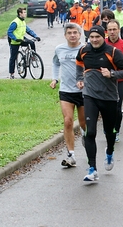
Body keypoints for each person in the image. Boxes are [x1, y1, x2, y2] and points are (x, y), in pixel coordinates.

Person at [76, 26, 123, 181]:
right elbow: (79, 63)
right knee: (91, 132)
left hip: (108, 97)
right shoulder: (84, 51)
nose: (94, 40)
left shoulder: (113, 52)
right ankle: (92, 168)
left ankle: (110, 151)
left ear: (103, 36)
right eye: (92, 37)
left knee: (109, 131)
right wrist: (80, 79)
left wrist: (112, 74)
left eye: (97, 37)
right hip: (90, 96)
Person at [51, 23, 86, 167]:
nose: (72, 35)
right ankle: (71, 155)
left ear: (80, 34)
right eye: (69, 33)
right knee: (68, 121)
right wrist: (54, 78)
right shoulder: (59, 49)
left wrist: (84, 80)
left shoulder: (86, 49)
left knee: (84, 124)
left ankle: (86, 137)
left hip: (84, 91)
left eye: (75, 33)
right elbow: (55, 64)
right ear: (65, 35)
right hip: (66, 91)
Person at [105, 20, 123, 142]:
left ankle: (116, 130)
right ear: (107, 31)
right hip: (103, 80)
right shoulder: (102, 43)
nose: (112, 32)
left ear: (118, 30)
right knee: (106, 107)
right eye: (110, 30)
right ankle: (107, 128)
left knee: (117, 107)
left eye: (114, 29)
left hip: (119, 80)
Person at [7, 7, 41, 79]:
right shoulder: (15, 22)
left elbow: (28, 30)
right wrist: (15, 39)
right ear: (20, 13)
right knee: (13, 58)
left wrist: (36, 36)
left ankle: (33, 56)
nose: (25, 14)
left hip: (22, 39)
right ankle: (12, 74)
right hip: (15, 42)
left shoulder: (23, 22)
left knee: (31, 42)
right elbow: (9, 32)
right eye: (24, 12)